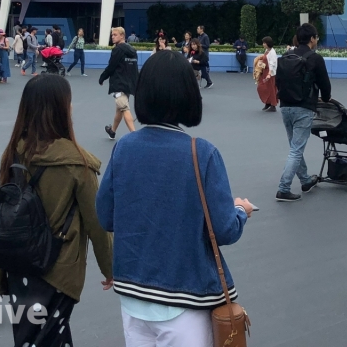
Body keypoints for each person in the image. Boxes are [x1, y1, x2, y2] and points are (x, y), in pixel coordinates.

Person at [96, 50, 253, 346]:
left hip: (133, 295)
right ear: (187, 95)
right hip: (185, 299)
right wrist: (241, 211)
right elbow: (224, 229)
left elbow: (105, 215)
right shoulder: (202, 153)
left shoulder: (124, 149)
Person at [0, 74, 113, 347]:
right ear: (59, 109)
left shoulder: (15, 152)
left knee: (33, 338)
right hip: (57, 270)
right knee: (51, 337)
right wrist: (111, 268)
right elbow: (96, 222)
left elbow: (4, 216)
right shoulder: (78, 163)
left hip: (17, 267)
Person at [274, 23, 331, 202]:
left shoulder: (286, 56)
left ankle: (306, 180)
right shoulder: (315, 58)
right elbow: (325, 84)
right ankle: (283, 188)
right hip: (304, 107)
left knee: (294, 147)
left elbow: (278, 80)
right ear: (312, 39)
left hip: (285, 106)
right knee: (296, 150)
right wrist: (326, 98)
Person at [99, 26, 139, 140]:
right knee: (120, 108)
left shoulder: (117, 50)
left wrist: (102, 78)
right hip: (129, 84)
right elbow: (134, 69)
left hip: (119, 83)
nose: (112, 37)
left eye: (115, 35)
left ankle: (134, 135)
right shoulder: (133, 50)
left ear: (122, 36)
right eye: (112, 35)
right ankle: (112, 131)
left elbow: (111, 67)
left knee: (124, 108)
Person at [254, 36, 278, 111]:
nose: (263, 44)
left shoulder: (272, 53)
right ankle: (268, 103)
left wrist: (269, 74)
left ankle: (273, 104)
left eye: (264, 43)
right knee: (263, 88)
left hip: (269, 73)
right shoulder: (267, 51)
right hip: (265, 72)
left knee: (270, 89)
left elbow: (272, 64)